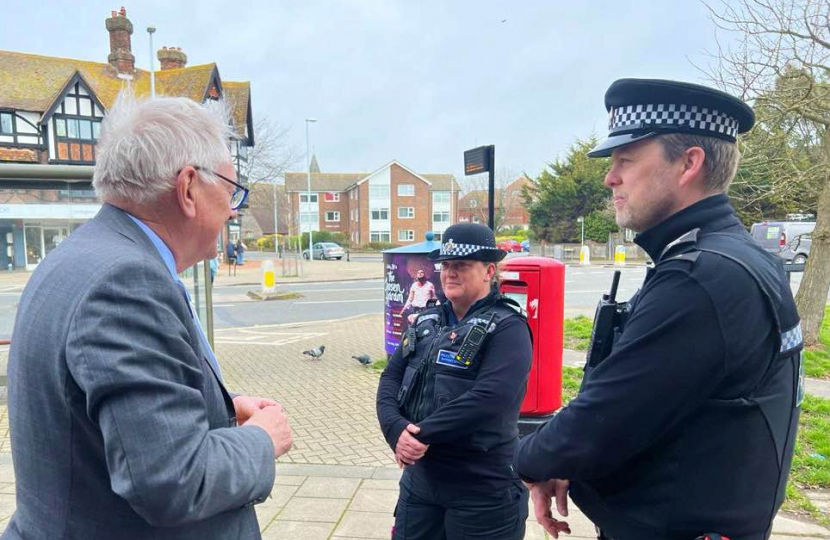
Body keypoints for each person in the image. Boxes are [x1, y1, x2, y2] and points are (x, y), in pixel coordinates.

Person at [514, 79, 803, 540]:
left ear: (689, 163)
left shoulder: (701, 277)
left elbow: (603, 418)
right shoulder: (740, 257)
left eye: (626, 159)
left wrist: (532, 458)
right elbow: (655, 405)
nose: (611, 176)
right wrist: (568, 457)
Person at [5, 95, 293, 539]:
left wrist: (218, 409)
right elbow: (172, 480)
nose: (234, 209)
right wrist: (262, 439)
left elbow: (105, 420)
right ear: (189, 188)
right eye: (230, 190)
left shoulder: (83, 255)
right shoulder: (126, 282)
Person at [377, 223, 535, 540]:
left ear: (490, 270)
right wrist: (396, 431)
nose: (449, 273)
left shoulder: (508, 328)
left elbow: (490, 398)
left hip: (482, 490)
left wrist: (419, 435)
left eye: (461, 265)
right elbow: (390, 378)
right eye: (446, 266)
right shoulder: (427, 320)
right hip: (421, 485)